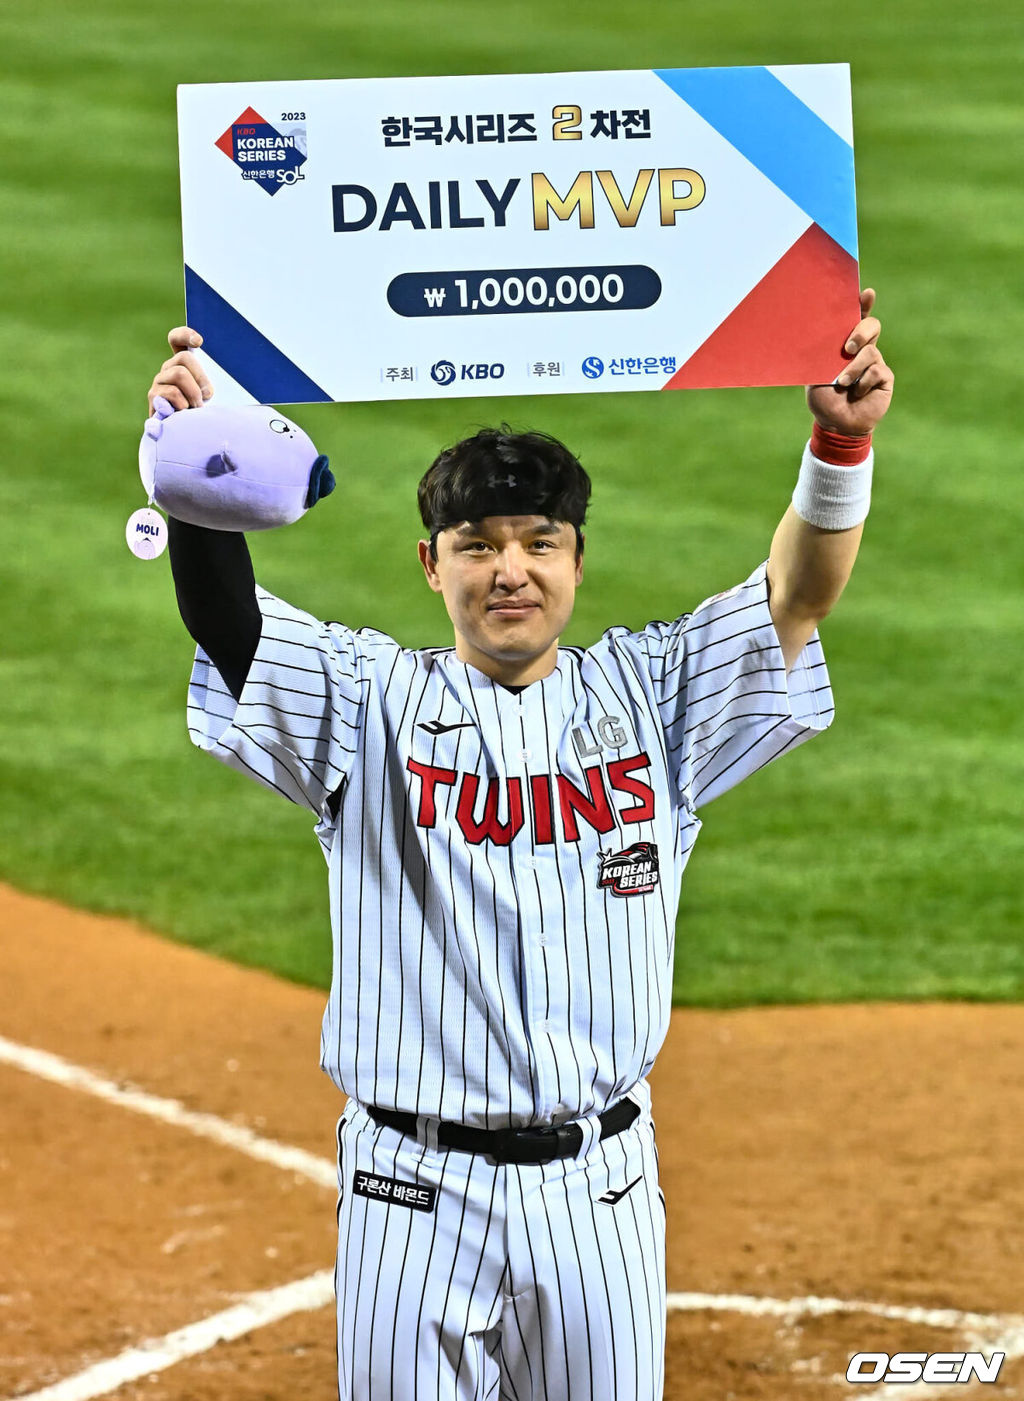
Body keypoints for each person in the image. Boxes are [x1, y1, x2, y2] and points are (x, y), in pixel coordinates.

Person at [147, 293, 893, 1400]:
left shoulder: (653, 697)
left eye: (539, 544)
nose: (510, 570)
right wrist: (200, 469)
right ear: (430, 565)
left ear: (577, 563)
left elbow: (798, 593)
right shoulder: (369, 704)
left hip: (600, 1195)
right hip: (410, 1196)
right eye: (478, 546)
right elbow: (233, 629)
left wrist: (840, 441)